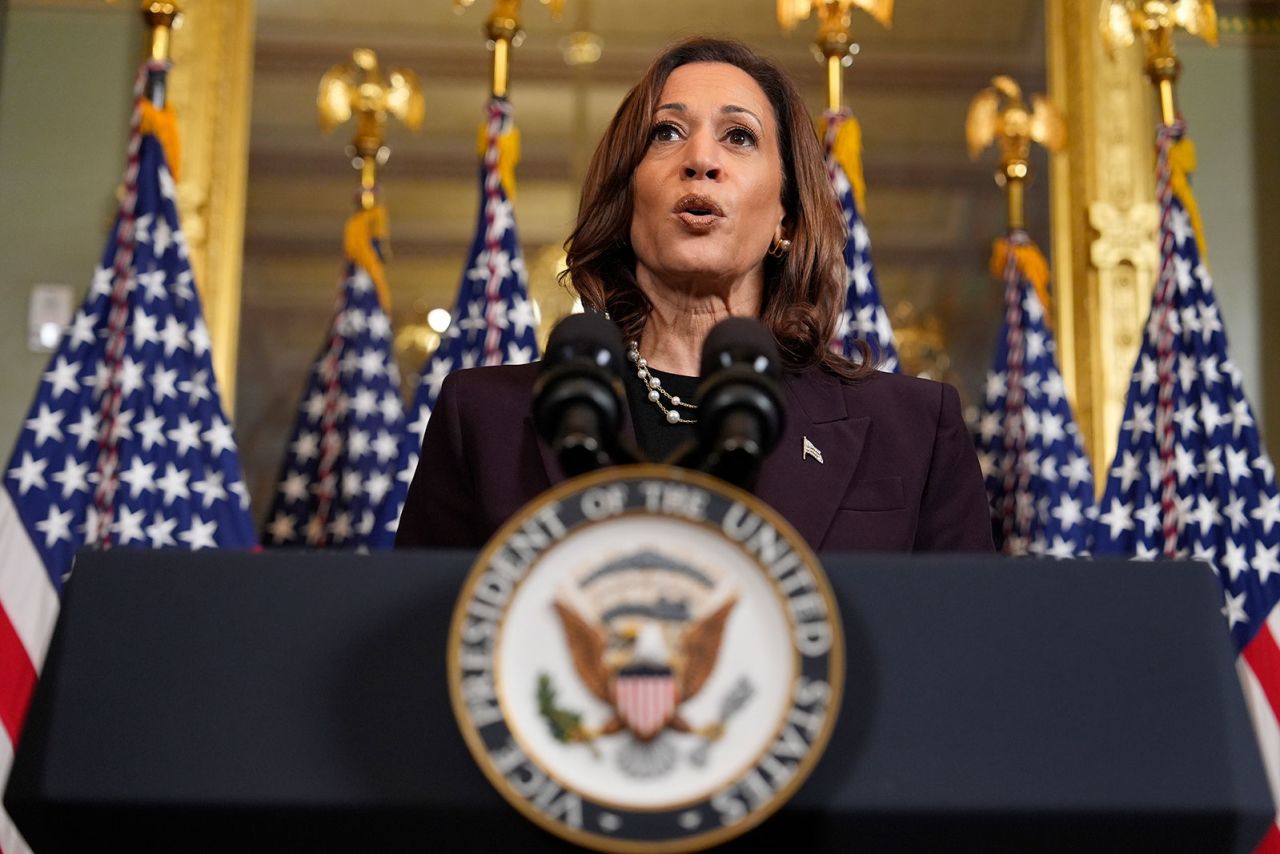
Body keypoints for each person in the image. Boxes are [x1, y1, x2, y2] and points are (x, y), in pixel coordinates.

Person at [396, 37, 993, 553]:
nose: (700, 159)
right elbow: (427, 655)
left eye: (738, 136)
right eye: (666, 133)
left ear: (786, 218)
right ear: (627, 199)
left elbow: (959, 658)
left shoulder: (913, 432)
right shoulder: (484, 420)